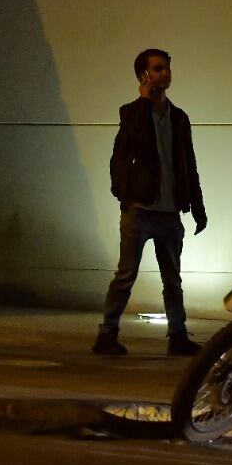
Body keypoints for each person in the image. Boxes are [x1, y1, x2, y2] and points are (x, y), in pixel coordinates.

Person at [95, 49, 207, 357]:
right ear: (143, 76)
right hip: (140, 210)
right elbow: (125, 149)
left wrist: (197, 207)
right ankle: (107, 333)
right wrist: (144, 103)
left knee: (173, 279)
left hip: (170, 212)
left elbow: (188, 163)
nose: (165, 74)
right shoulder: (132, 112)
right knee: (126, 274)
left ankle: (178, 335)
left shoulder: (179, 118)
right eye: (158, 69)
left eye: (167, 68)